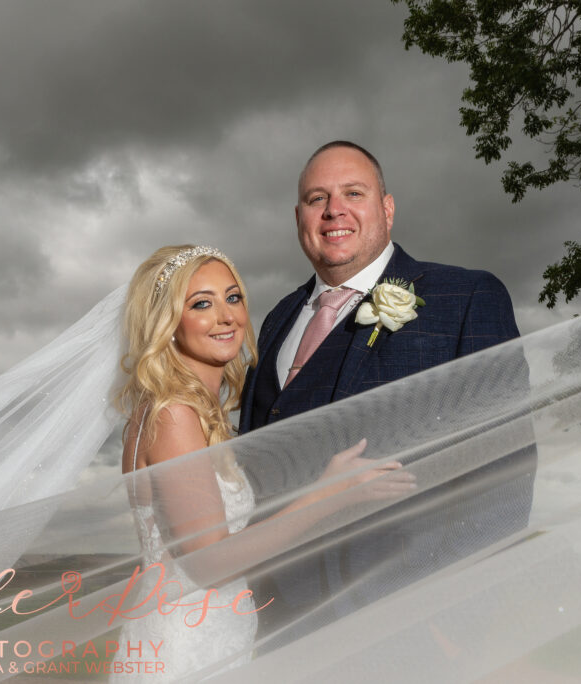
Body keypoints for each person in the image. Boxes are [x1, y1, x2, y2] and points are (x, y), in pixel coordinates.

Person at [238, 141, 537, 645]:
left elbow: (503, 468)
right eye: (317, 198)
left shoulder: (465, 299)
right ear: (299, 216)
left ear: (387, 207)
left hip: (400, 619)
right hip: (270, 621)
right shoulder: (276, 319)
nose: (334, 210)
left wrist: (455, 617)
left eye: (353, 192)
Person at [107, 245, 414, 681]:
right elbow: (208, 563)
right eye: (200, 304)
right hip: (190, 651)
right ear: (167, 323)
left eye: (233, 298)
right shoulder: (174, 414)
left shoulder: (183, 413)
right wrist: (328, 492)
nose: (226, 316)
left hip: (209, 635)